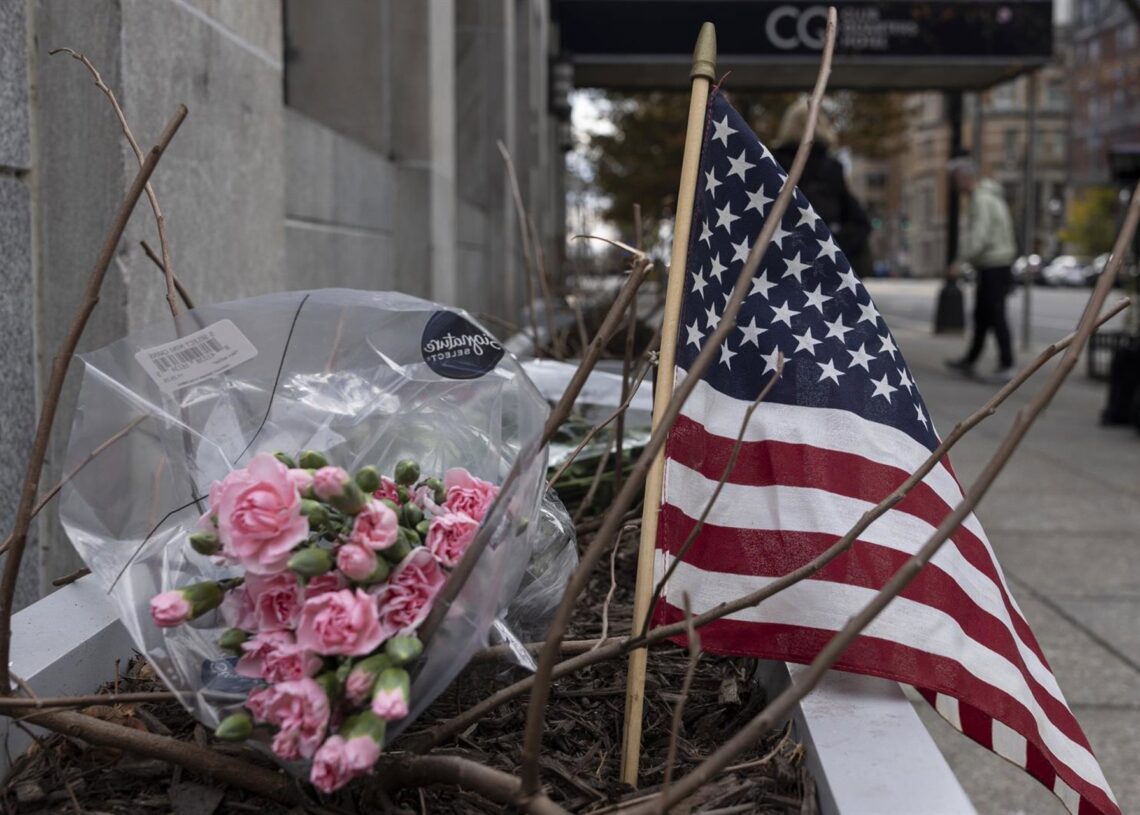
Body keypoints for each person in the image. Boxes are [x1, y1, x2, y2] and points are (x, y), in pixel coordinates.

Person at [771, 98, 873, 278]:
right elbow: (858, 221)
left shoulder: (773, 164)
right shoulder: (831, 168)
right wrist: (835, 245)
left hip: (781, 260)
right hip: (827, 265)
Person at [944, 156, 1018, 381]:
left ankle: (1007, 365)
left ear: (964, 177)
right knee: (983, 315)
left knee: (994, 314)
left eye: (955, 179)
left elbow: (980, 235)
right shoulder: (990, 197)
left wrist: (960, 261)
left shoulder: (981, 199)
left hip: (993, 264)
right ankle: (971, 360)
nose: (954, 186)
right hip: (995, 263)